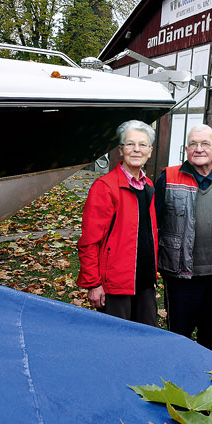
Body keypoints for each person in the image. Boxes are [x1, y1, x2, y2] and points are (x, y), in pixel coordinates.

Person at [154, 124, 212, 355]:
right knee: (180, 336)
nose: (199, 149)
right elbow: (153, 224)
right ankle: (180, 383)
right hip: (180, 275)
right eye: (193, 144)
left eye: (205, 144)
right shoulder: (168, 177)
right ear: (186, 149)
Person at [76, 120, 159, 325]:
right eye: (130, 144)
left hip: (145, 282)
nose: (136, 150)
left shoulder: (148, 185)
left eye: (142, 144)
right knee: (116, 343)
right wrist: (93, 284)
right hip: (115, 285)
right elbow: (89, 240)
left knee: (145, 340)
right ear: (121, 150)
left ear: (150, 150)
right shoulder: (105, 187)